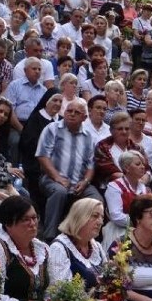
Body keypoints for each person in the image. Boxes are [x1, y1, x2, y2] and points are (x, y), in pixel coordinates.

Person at [36, 98, 103, 241]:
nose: (71, 114)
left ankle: (85, 236)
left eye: (76, 112)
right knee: (60, 192)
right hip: (51, 179)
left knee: (96, 200)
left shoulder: (89, 137)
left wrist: (85, 181)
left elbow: (91, 166)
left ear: (84, 117)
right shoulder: (52, 129)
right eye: (69, 111)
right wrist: (57, 178)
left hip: (79, 182)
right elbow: (42, 156)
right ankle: (50, 237)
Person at [17, 88, 62, 198]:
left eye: (61, 101)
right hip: (36, 163)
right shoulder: (35, 119)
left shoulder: (62, 120)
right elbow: (28, 144)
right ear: (47, 101)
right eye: (55, 100)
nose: (58, 104)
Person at [101, 150, 150, 249]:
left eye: (143, 164)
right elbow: (116, 216)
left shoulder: (143, 188)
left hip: (139, 229)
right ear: (127, 168)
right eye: (138, 164)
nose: (142, 167)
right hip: (119, 229)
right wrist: (140, 222)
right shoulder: (114, 187)